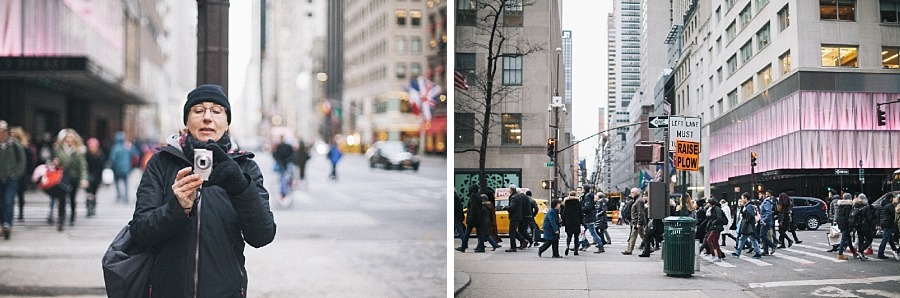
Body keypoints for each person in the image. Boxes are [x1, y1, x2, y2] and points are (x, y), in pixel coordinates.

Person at [129, 84, 276, 297]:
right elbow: (140, 231)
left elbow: (262, 235)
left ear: (226, 122)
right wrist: (176, 209)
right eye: (198, 110)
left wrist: (240, 188)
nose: (207, 117)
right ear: (186, 121)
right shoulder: (162, 162)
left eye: (217, 111)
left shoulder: (245, 167)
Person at [54, 129, 88, 227]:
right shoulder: (59, 150)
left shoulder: (78, 150)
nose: (69, 140)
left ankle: (72, 216)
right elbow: (56, 162)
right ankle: (61, 219)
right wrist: (56, 162)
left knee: (72, 197)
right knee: (62, 198)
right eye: (67, 138)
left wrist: (84, 178)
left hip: (74, 176)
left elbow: (83, 166)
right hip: (63, 176)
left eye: (71, 138)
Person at [0, 120, 26, 239]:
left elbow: (22, 160)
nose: (2, 134)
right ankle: (2, 223)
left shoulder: (14, 144)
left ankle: (7, 224)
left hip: (11, 178)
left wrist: (16, 173)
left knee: (8, 201)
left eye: (4, 131)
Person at [9, 127, 36, 222]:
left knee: (20, 194)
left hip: (21, 173)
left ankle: (20, 212)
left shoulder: (23, 147)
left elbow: (28, 162)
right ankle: (10, 213)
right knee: (10, 195)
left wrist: (29, 173)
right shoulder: (9, 145)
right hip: (11, 173)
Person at [108, 131, 136, 203]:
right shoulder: (126, 147)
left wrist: (112, 166)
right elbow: (133, 154)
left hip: (117, 169)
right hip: (126, 169)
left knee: (117, 182)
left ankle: (119, 196)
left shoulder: (115, 148)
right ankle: (126, 197)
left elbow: (112, 159)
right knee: (126, 183)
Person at [732, 192, 762, 259]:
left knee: (748, 239)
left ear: (745, 198)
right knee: (745, 239)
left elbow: (751, 215)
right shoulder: (747, 205)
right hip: (747, 226)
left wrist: (745, 215)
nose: (742, 200)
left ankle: (757, 252)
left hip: (748, 226)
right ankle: (738, 252)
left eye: (742, 198)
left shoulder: (749, 206)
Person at [503, 185, 530, 252]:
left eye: (509, 189)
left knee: (511, 232)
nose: (508, 190)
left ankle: (513, 247)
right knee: (513, 230)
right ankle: (523, 240)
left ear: (511, 190)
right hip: (518, 216)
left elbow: (512, 207)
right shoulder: (518, 196)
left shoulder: (514, 197)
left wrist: (505, 207)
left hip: (514, 216)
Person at [580, 185, 604, 253]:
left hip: (588, 217)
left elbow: (588, 207)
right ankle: (585, 243)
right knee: (583, 231)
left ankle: (600, 245)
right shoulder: (588, 196)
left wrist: (581, 209)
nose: (581, 189)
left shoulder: (587, 196)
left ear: (584, 189)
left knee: (592, 232)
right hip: (589, 216)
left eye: (582, 188)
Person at [84, 138, 105, 217]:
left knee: (94, 193)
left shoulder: (100, 155)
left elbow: (100, 169)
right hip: (88, 177)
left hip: (96, 178)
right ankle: (89, 208)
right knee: (89, 193)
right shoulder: (86, 156)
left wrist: (99, 179)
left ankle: (93, 207)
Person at [623, 188, 646, 255]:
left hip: (636, 222)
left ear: (636, 192)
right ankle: (649, 247)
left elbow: (640, 212)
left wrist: (639, 222)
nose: (631, 194)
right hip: (636, 221)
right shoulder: (637, 200)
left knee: (633, 236)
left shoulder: (638, 201)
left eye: (632, 192)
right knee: (641, 235)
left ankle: (629, 250)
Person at [851, 194, 875, 260]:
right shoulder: (866, 207)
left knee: (860, 240)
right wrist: (872, 226)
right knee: (869, 239)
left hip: (857, 225)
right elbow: (869, 218)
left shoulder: (855, 206)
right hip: (865, 226)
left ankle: (861, 254)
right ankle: (861, 251)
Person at [835, 193, 857, 260]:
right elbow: (848, 216)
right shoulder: (849, 206)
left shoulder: (840, 205)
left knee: (848, 239)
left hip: (841, 222)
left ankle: (854, 252)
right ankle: (840, 253)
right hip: (846, 223)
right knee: (844, 238)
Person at [875, 194, 897, 260]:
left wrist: (878, 223)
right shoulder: (890, 205)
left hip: (883, 223)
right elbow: (893, 214)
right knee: (885, 238)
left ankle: (895, 249)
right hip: (888, 223)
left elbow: (878, 215)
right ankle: (880, 253)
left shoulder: (881, 205)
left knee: (889, 238)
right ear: (890, 198)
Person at [272, 135, 294, 200]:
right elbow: (292, 155)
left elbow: (276, 155)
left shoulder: (280, 146)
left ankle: (283, 192)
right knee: (284, 178)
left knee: (283, 178)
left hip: (283, 164)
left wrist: (279, 161)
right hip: (285, 164)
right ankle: (283, 191)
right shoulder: (285, 146)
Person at [562, 191, 582, 256]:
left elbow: (564, 213)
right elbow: (580, 213)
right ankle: (576, 250)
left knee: (569, 236)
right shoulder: (578, 203)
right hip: (576, 221)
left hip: (569, 221)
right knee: (576, 237)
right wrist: (581, 221)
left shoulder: (566, 203)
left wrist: (564, 222)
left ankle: (567, 246)